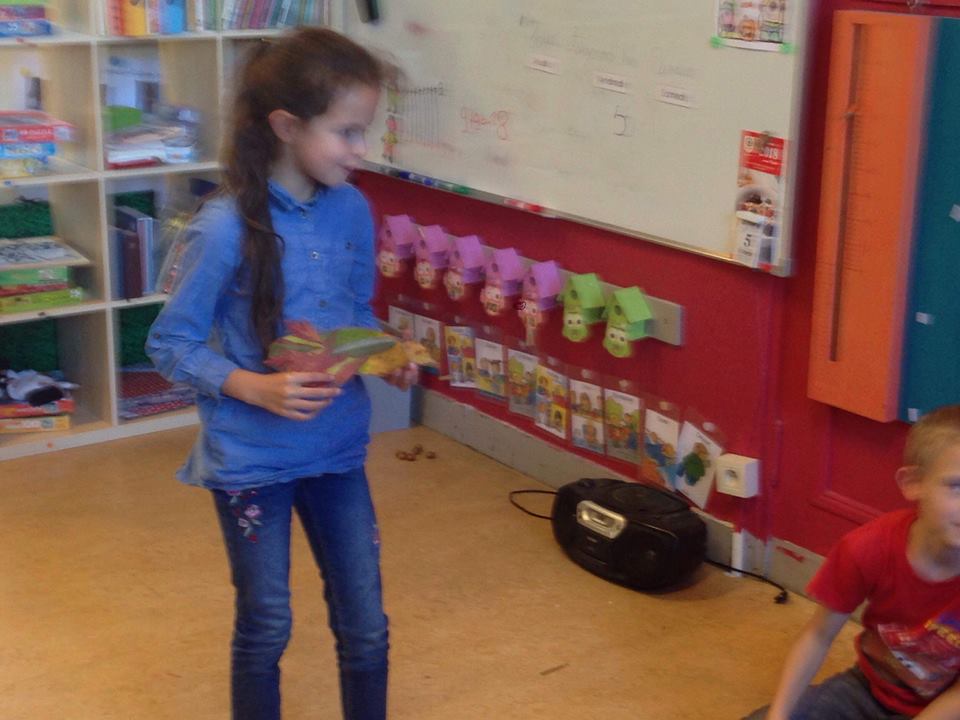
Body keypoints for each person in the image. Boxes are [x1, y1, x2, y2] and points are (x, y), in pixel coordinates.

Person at [146, 27, 415, 720]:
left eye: (364, 131)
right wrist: (252, 387)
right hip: (252, 460)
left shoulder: (352, 208)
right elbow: (170, 343)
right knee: (267, 625)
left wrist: (384, 353)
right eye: (346, 132)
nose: (361, 149)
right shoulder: (223, 226)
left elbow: (353, 313)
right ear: (287, 127)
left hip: (336, 450)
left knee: (366, 626)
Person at [744, 405, 960, 720]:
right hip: (869, 690)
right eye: (957, 486)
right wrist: (779, 715)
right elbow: (818, 636)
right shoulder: (868, 548)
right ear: (913, 483)